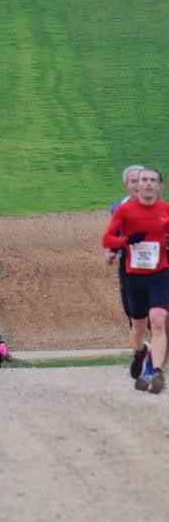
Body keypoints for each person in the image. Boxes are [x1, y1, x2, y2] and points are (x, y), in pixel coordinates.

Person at [102, 168, 169, 393]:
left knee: (158, 320)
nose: (149, 184)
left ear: (159, 186)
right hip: (133, 275)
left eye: (153, 180)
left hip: (160, 273)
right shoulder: (124, 210)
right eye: (144, 181)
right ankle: (140, 352)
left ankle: (157, 371)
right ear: (136, 186)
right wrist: (127, 241)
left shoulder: (166, 210)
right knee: (138, 325)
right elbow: (108, 238)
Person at [106, 165, 145, 323]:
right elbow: (115, 231)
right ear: (126, 184)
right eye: (134, 181)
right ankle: (141, 347)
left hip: (159, 264)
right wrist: (112, 251)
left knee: (157, 314)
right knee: (132, 313)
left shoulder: (162, 208)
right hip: (129, 263)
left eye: (141, 180)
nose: (138, 185)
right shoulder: (118, 207)